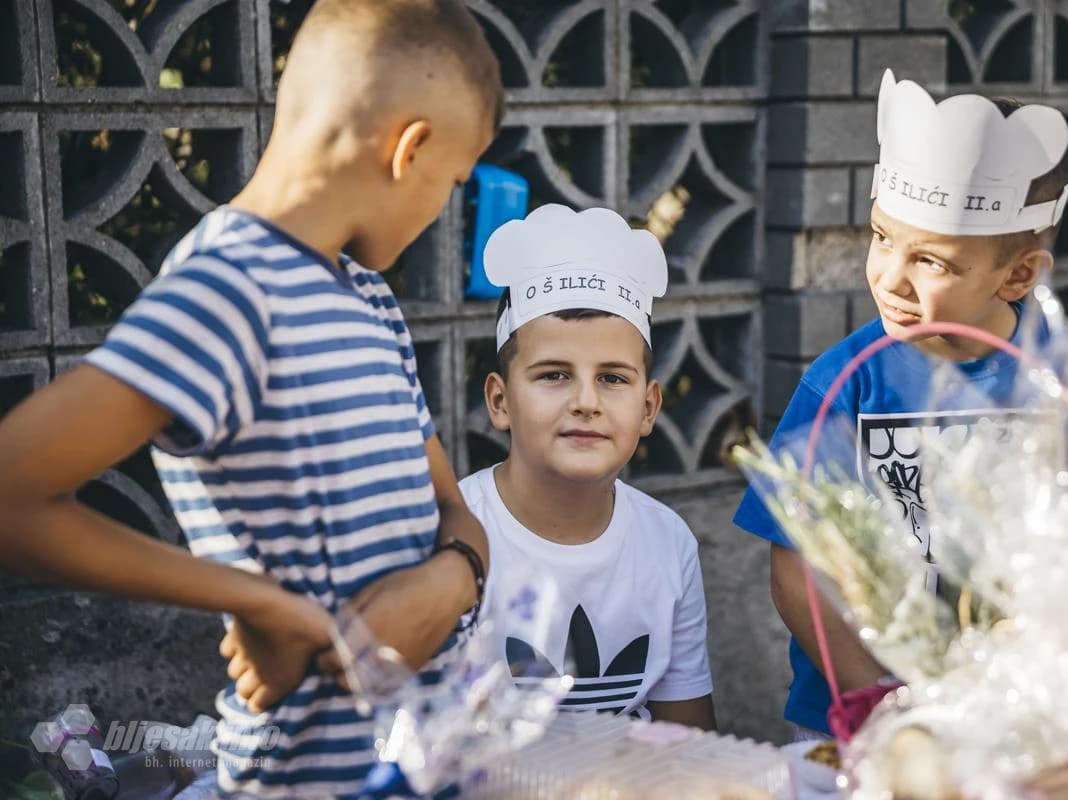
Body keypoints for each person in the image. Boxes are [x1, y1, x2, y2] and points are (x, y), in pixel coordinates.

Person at [0, 1, 504, 796]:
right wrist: (262, 604)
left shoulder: (371, 302)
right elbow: (12, 495)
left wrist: (451, 579)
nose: (445, 206)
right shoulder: (227, 290)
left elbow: (452, 508)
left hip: (418, 765)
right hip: (301, 777)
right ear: (411, 150)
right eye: (454, 183)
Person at [733, 69, 1068, 740]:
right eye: (882, 237)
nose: (889, 275)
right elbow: (796, 566)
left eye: (932, 261)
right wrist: (878, 703)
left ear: (1018, 274)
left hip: (1026, 720)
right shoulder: (843, 385)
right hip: (863, 728)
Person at [459, 203, 716, 729]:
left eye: (613, 379)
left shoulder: (668, 542)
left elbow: (689, 742)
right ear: (500, 400)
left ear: (648, 407)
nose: (585, 401)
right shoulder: (457, 533)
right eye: (553, 375)